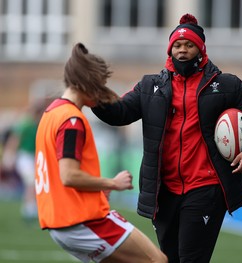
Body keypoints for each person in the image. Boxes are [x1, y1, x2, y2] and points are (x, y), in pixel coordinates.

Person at [92, 13, 242, 263]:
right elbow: (119, 112)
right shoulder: (150, 86)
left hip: (205, 189)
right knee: (168, 259)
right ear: (169, 51)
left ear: (200, 49)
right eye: (177, 46)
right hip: (163, 191)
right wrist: (92, 93)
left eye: (189, 45)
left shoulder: (226, 85)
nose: (182, 50)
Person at [35, 43, 167, 263]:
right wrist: (111, 183)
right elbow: (68, 176)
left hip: (59, 223)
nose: (102, 92)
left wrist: (96, 191)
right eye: (100, 84)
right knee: (157, 260)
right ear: (87, 82)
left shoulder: (52, 113)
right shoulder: (71, 120)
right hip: (82, 221)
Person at [2, 102, 43, 222]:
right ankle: (29, 209)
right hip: (24, 156)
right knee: (31, 182)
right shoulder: (25, 125)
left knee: (35, 182)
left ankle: (30, 207)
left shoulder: (36, 125)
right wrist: (9, 156)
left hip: (32, 156)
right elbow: (15, 140)